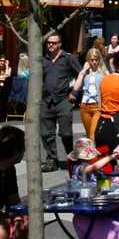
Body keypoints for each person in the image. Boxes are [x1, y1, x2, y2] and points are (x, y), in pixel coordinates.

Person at [40, 31, 79, 171]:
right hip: (46, 101)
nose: (50, 45)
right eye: (49, 42)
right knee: (46, 133)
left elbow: (81, 75)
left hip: (63, 100)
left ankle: (71, 157)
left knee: (66, 133)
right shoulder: (42, 60)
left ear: (60, 44)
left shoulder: (68, 58)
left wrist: (75, 93)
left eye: (54, 43)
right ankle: (52, 160)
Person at [73, 45, 107, 144]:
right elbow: (76, 87)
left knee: (93, 135)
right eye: (92, 60)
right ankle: (90, 157)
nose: (94, 62)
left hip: (97, 106)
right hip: (85, 106)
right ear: (88, 60)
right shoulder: (84, 72)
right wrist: (83, 71)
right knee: (88, 136)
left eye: (96, 59)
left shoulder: (104, 72)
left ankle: (95, 158)